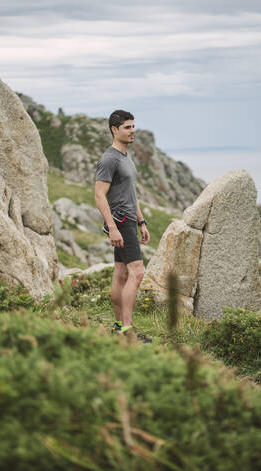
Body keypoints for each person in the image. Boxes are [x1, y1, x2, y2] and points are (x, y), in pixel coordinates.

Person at [94, 109, 151, 339]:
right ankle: (127, 330)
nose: (132, 131)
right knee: (136, 273)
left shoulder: (126, 157)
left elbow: (131, 193)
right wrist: (113, 227)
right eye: (127, 127)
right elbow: (99, 195)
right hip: (121, 221)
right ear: (114, 130)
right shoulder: (109, 159)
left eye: (133, 126)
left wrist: (142, 221)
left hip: (129, 219)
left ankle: (119, 327)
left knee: (121, 273)